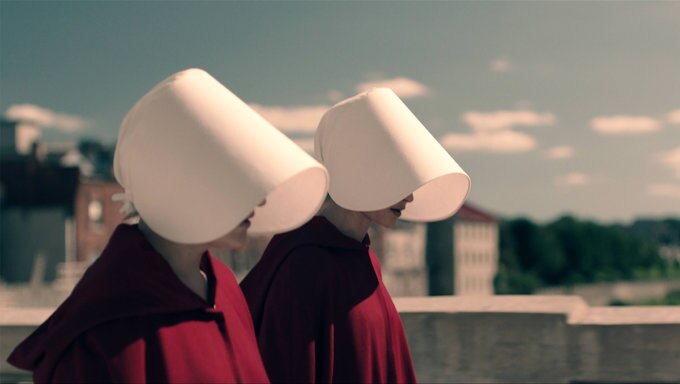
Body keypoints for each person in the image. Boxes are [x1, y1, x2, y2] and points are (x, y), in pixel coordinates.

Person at [7, 68, 329, 383]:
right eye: (232, 180)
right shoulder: (95, 342)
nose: (258, 202)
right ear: (178, 183)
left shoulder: (227, 288)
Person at [240, 88, 471, 383]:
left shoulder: (362, 257)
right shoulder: (304, 265)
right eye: (396, 178)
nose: (409, 197)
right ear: (360, 171)